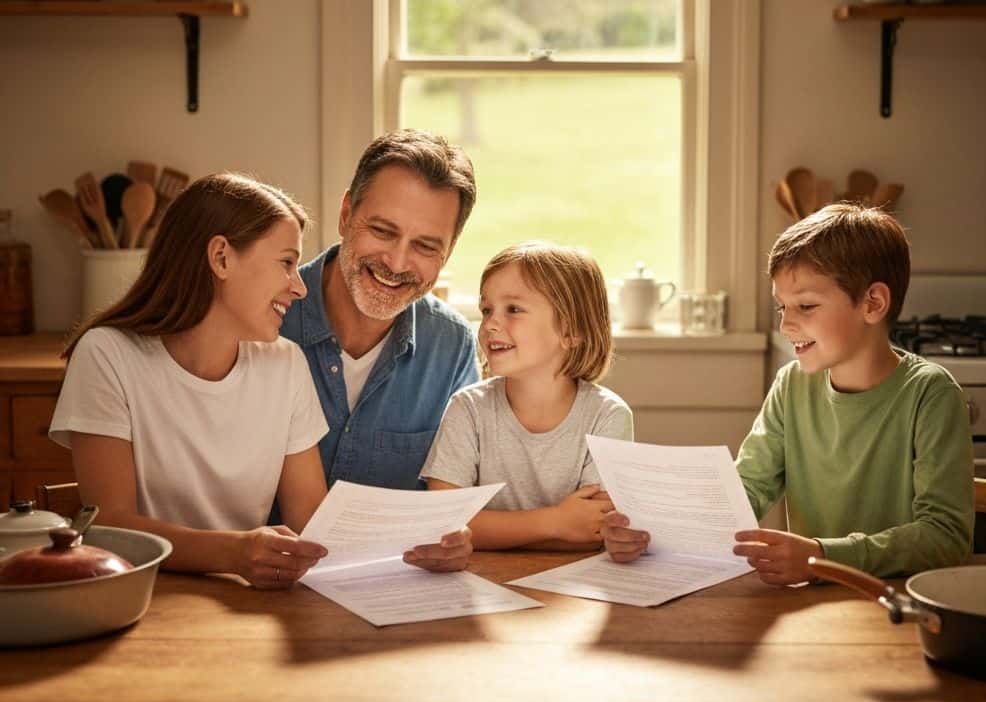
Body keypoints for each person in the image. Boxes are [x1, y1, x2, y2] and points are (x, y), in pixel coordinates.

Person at [49, 173, 471, 589]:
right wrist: (233, 553)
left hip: (246, 600)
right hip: (146, 593)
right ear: (221, 258)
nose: (299, 287)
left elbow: (311, 521)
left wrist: (425, 543)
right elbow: (109, 524)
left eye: (425, 244)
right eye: (286, 263)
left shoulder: (284, 362)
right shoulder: (107, 355)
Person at [603, 203, 974, 582]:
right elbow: (746, 489)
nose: (785, 323)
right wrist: (653, 532)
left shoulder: (930, 394)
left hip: (894, 607)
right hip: (811, 603)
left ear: (873, 303)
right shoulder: (791, 385)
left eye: (806, 306)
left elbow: (945, 536)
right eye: (781, 306)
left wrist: (823, 557)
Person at [278, 130, 479, 496]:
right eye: (383, 231)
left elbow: (458, 497)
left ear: (447, 253)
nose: (397, 262)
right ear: (345, 214)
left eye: (425, 245)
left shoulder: (452, 347)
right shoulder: (268, 318)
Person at [422, 241, 634, 549]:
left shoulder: (608, 416)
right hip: (479, 582)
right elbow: (443, 522)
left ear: (571, 331)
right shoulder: (466, 409)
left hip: (573, 588)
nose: (490, 324)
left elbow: (592, 530)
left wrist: (487, 529)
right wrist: (556, 522)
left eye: (514, 309)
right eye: (486, 309)